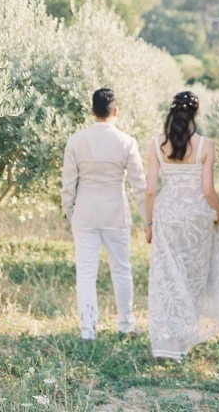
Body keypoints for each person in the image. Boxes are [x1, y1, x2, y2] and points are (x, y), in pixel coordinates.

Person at [145, 90, 219, 361]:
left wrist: (149, 223)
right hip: (196, 216)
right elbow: (208, 191)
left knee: (167, 275)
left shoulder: (156, 144)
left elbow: (150, 190)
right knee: (193, 276)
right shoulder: (205, 145)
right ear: (195, 114)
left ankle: (169, 344)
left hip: (167, 213)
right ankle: (184, 340)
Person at [61, 88, 147, 340]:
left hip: (85, 214)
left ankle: (88, 330)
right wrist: (147, 218)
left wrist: (70, 214)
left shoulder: (75, 141)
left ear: (92, 111)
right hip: (115, 213)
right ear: (116, 111)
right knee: (121, 270)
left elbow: (68, 186)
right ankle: (126, 324)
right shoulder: (127, 142)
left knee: (86, 273)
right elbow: (139, 184)